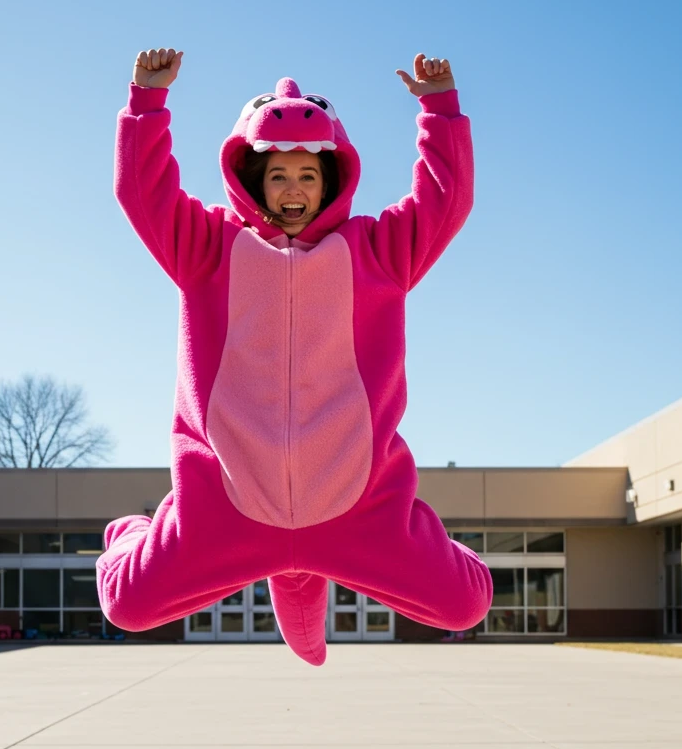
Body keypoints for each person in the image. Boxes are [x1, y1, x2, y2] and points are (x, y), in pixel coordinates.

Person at [96, 48, 493, 665]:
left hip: (357, 505)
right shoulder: (208, 248)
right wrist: (147, 100)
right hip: (227, 503)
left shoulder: (378, 252)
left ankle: (311, 564)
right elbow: (142, 193)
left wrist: (438, 110)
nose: (293, 190)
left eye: (308, 176)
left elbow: (445, 202)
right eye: (279, 174)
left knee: (465, 605)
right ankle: (135, 535)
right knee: (127, 604)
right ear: (253, 179)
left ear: (331, 181)